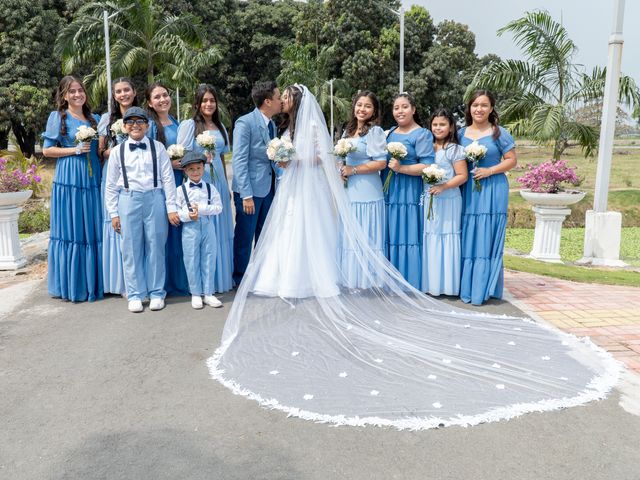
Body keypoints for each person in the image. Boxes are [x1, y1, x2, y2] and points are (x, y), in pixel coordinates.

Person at [208, 85, 616, 430]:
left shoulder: (401, 136)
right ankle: (288, 277)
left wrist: (321, 161)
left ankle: (435, 285)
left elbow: (365, 159)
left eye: (376, 106)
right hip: (323, 188)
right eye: (362, 105)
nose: (364, 110)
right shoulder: (297, 127)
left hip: (391, 188)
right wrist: (289, 156)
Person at [104, 107, 180, 313]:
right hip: (128, 200)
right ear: (125, 126)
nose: (135, 125)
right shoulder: (118, 151)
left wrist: (171, 207)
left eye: (140, 122)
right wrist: (113, 213)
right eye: (130, 122)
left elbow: (168, 180)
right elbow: (110, 185)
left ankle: (156, 292)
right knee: (130, 248)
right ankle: (135, 294)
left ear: (147, 125)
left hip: (155, 198)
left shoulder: (158, 148)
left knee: (156, 246)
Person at [42, 75, 103, 302]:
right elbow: (48, 150)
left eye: (80, 90)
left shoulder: (94, 118)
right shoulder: (58, 117)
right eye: (72, 91)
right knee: (74, 228)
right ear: (64, 95)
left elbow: (99, 150)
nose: (77, 94)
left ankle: (97, 281)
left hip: (92, 177)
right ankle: (74, 283)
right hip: (69, 178)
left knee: (94, 227)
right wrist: (74, 150)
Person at [458, 90, 517, 305]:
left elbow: (511, 160)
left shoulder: (499, 133)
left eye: (484, 105)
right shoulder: (460, 133)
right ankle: (466, 284)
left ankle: (486, 286)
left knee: (487, 233)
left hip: (493, 188)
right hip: (468, 189)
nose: (479, 109)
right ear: (469, 108)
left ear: (491, 108)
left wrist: (489, 171)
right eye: (475, 105)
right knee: (468, 232)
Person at [177, 85, 233, 294]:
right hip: (199, 182)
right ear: (197, 104)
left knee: (220, 230)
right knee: (201, 232)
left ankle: (219, 280)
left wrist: (225, 186)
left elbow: (221, 157)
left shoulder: (221, 127)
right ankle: (199, 287)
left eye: (212, 100)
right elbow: (182, 156)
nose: (208, 104)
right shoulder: (189, 125)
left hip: (217, 182)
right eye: (204, 100)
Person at [231, 81, 282, 286]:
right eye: (278, 98)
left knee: (264, 235)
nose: (281, 102)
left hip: (269, 188)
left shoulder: (272, 124)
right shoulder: (245, 123)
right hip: (250, 191)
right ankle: (240, 278)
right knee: (245, 235)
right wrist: (247, 195)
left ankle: (261, 276)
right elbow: (239, 160)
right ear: (268, 101)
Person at [382, 93, 435, 289]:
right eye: (396, 108)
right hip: (389, 189)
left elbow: (427, 166)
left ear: (413, 109)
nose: (400, 111)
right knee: (389, 231)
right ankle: (387, 279)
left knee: (407, 232)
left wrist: (401, 168)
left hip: (408, 190)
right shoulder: (390, 133)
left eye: (404, 107)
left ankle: (407, 281)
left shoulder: (422, 134)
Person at [338, 91, 387, 289]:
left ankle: (368, 280)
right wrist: (341, 169)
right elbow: (341, 158)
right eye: (359, 105)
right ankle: (352, 278)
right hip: (349, 191)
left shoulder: (374, 132)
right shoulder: (347, 130)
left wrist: (354, 169)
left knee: (367, 234)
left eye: (367, 106)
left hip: (368, 190)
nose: (362, 109)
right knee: (350, 234)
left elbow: (381, 162)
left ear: (374, 110)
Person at [146, 82, 189, 297]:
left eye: (165, 95)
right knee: (163, 233)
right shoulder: (151, 127)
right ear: (150, 103)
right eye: (157, 97)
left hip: (180, 180)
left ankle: (180, 280)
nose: (163, 99)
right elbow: (147, 156)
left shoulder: (176, 122)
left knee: (179, 232)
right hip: (162, 184)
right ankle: (163, 283)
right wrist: (168, 165)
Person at [98, 77, 138, 297]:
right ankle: (119, 282)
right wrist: (112, 152)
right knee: (116, 223)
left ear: (134, 92)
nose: (123, 94)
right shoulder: (107, 118)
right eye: (119, 92)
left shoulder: (143, 115)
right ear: (114, 96)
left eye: (127, 90)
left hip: (136, 175)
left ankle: (137, 279)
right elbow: (101, 151)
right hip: (113, 174)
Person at [421, 108, 468, 296]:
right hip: (430, 198)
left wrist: (444, 186)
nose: (438, 128)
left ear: (450, 127)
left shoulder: (455, 149)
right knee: (430, 235)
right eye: (435, 124)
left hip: (449, 199)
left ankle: (447, 284)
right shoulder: (428, 147)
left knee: (445, 235)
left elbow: (462, 176)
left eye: (442, 125)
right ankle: (430, 283)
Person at [176, 152, 224, 309]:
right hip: (190, 229)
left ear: (204, 168)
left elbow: (219, 207)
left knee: (209, 256)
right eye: (191, 169)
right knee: (191, 259)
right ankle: (196, 293)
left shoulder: (211, 188)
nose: (195, 172)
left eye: (198, 168)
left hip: (208, 226)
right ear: (185, 171)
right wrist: (188, 215)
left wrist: (202, 209)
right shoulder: (180, 190)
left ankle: (208, 293)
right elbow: (176, 212)